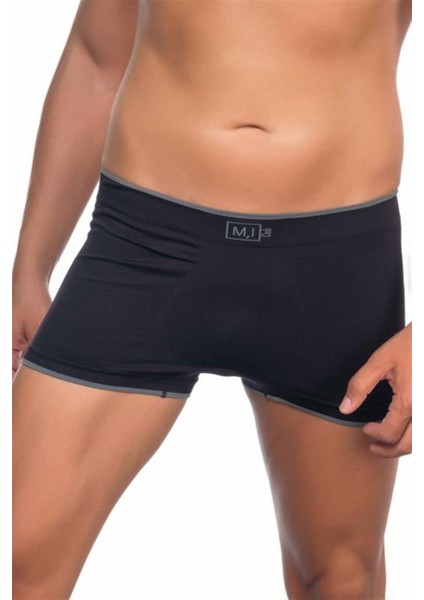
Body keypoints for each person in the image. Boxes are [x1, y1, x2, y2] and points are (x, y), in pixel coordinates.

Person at [12, 0, 412, 598]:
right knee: (16, 556)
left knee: (340, 577)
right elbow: (97, 56)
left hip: (333, 266)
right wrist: (31, 266)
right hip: (143, 247)